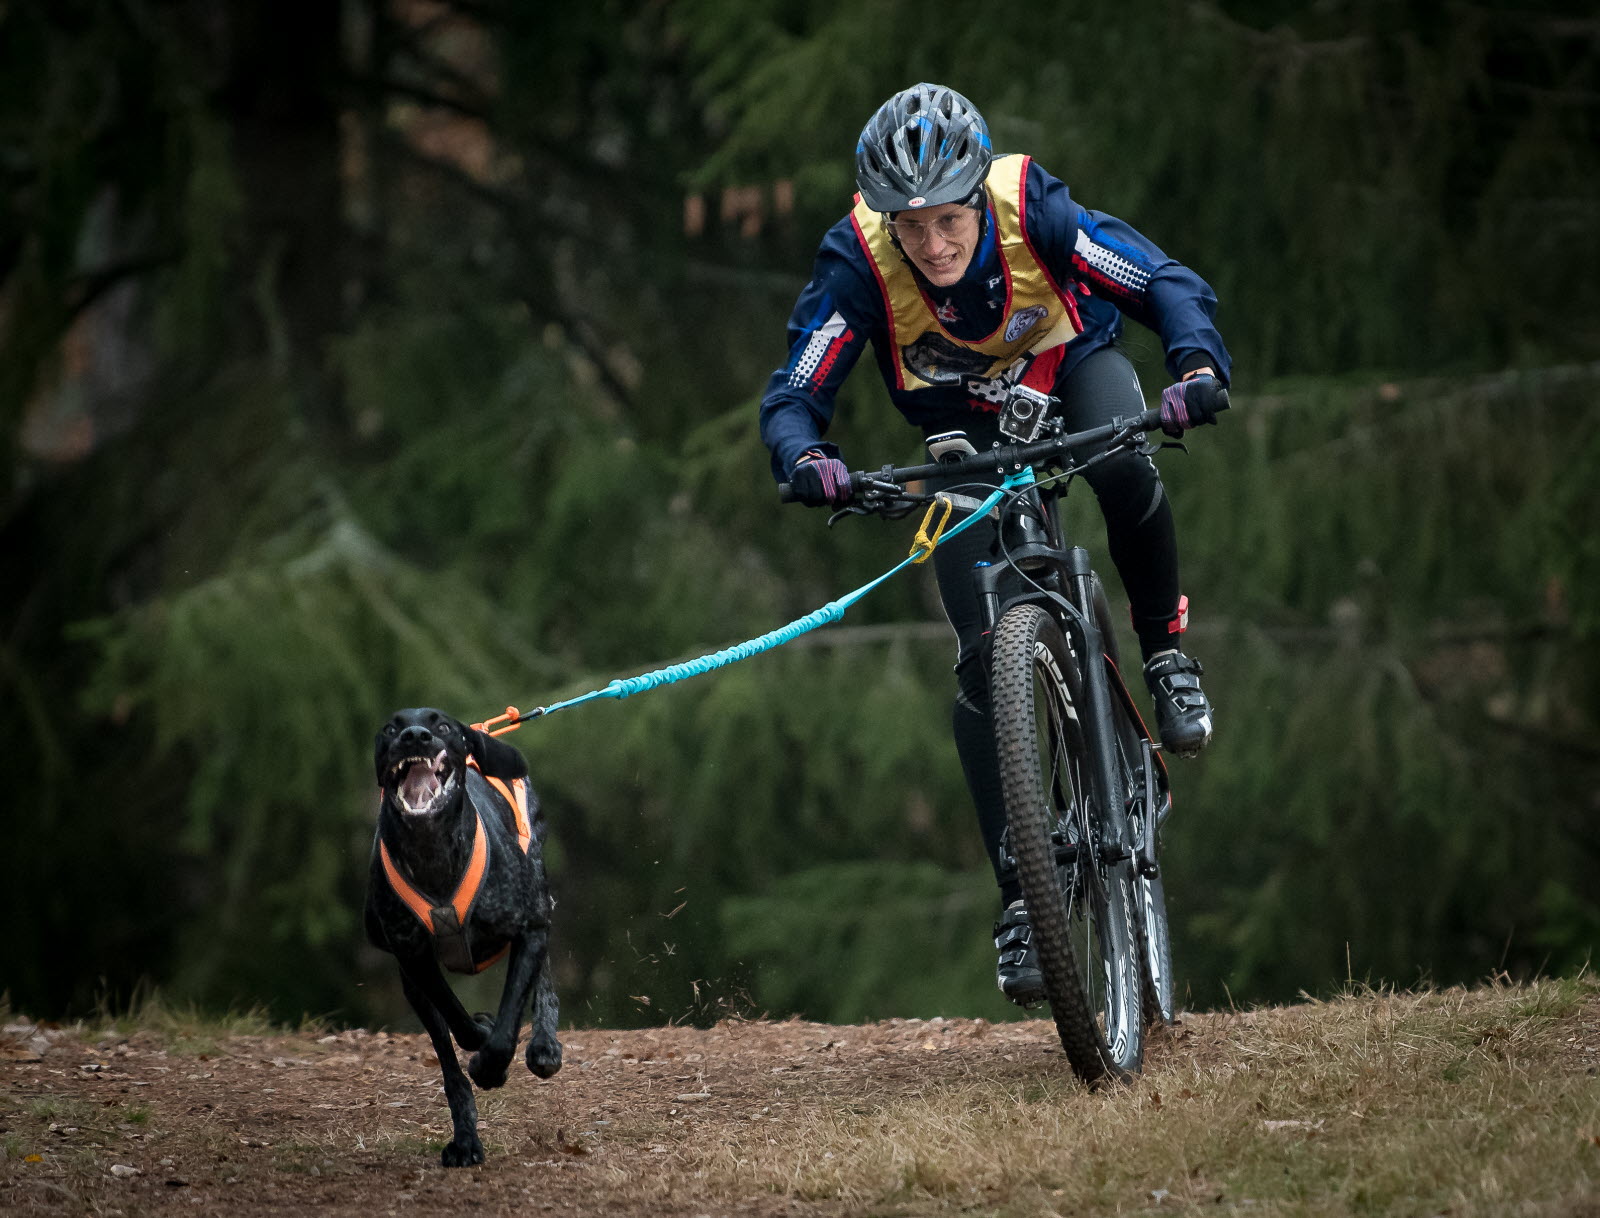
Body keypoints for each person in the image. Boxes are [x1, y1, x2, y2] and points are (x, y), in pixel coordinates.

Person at [758, 82, 1230, 1006]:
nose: (932, 246)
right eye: (911, 227)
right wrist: (807, 455)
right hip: (960, 439)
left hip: (1073, 373)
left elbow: (1159, 281)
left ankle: (1167, 657)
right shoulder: (857, 260)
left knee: (1126, 466)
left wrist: (1196, 363)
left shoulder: (1032, 209)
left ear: (978, 199)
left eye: (948, 222)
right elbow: (795, 390)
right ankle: (1023, 896)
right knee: (981, 659)